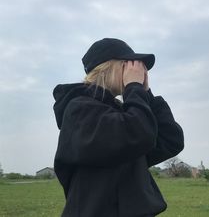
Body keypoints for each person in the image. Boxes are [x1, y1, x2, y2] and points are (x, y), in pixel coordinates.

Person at [53, 38, 184, 217]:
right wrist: (134, 88)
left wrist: (146, 93)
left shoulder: (121, 113)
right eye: (128, 65)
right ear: (107, 67)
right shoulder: (79, 109)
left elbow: (170, 140)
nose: (137, 71)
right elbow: (136, 133)